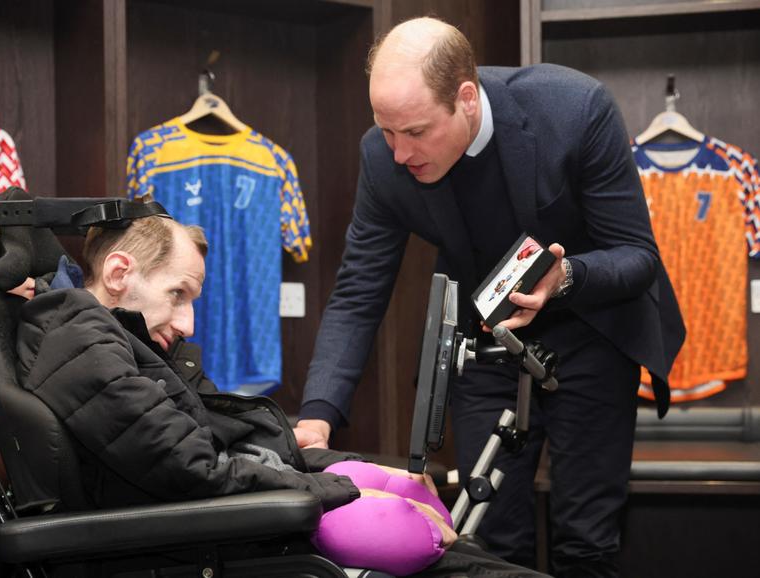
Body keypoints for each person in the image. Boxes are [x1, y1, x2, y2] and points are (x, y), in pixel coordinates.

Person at [294, 16, 685, 578]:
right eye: (387, 130)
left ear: (467, 99)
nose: (400, 153)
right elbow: (359, 288)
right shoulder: (384, 159)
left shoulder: (573, 110)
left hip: (594, 330)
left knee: (586, 539)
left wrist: (564, 277)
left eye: (417, 132)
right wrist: (318, 414)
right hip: (484, 342)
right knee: (491, 537)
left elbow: (636, 255)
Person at [11, 212, 546, 577]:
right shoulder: (82, 344)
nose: (189, 322)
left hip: (235, 523)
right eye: (178, 294)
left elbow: (231, 434)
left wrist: (347, 466)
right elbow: (196, 469)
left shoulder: (119, 341)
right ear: (120, 273)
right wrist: (341, 489)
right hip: (210, 541)